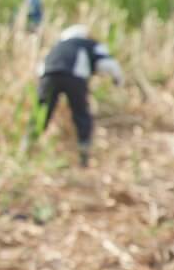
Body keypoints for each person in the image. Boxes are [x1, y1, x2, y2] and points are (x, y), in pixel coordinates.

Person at [33, 24, 123, 167]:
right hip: (75, 79)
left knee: (42, 112)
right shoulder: (89, 44)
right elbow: (108, 63)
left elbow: (40, 68)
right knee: (81, 114)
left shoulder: (57, 46)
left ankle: (29, 145)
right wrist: (118, 79)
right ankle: (84, 153)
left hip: (48, 77)